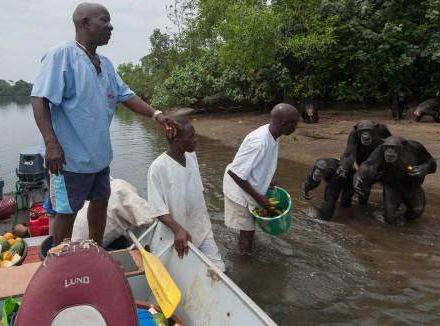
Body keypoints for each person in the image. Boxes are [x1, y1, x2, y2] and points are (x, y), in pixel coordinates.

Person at [31, 2, 178, 246]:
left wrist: (157, 115)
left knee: (100, 203)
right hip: (68, 160)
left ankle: (96, 251)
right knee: (66, 212)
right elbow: (39, 98)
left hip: (99, 158)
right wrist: (51, 144)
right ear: (85, 23)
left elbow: (127, 95)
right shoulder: (61, 55)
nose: (110, 26)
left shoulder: (106, 64)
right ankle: (63, 262)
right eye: (104, 20)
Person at [147, 119, 226, 271]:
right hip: (177, 233)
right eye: (190, 138)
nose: (195, 141)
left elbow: (198, 190)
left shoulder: (191, 157)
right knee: (186, 271)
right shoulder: (158, 168)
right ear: (177, 141)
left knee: (219, 270)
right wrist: (178, 230)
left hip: (201, 227)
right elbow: (158, 210)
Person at [223, 103, 300, 254]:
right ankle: (244, 260)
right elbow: (235, 173)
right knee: (247, 230)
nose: (297, 126)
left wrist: (266, 179)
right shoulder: (258, 142)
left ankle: (246, 248)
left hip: (248, 185)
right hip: (238, 191)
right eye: (295, 123)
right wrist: (260, 198)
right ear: (284, 124)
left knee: (250, 226)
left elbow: (259, 163)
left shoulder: (274, 134)